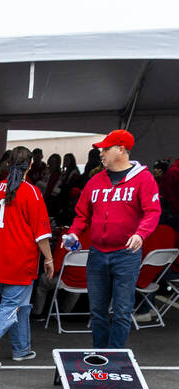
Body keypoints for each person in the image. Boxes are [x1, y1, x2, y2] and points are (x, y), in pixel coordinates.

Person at [63, 129, 161, 349]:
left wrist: (141, 233)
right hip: (98, 253)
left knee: (122, 312)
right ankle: (100, 356)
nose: (101, 153)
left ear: (121, 150)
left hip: (126, 255)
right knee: (97, 311)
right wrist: (73, 233)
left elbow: (153, 211)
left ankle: (115, 358)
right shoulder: (95, 181)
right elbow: (82, 214)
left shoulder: (144, 179)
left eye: (106, 149)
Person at [0, 146, 54, 368]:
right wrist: (49, 259)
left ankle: (22, 349)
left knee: (20, 306)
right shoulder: (31, 192)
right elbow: (42, 235)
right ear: (31, 166)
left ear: (7, 164)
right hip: (21, 260)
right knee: (10, 307)